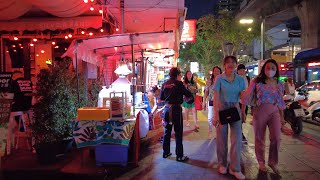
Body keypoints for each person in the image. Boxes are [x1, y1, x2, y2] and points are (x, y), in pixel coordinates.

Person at [242, 59, 285, 175]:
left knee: (276, 137)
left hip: (274, 111)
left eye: (273, 68)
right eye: (268, 68)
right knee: (259, 138)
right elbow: (247, 95)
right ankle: (261, 162)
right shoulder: (256, 81)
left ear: (276, 70)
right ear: (263, 69)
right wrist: (243, 110)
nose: (270, 70)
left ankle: (273, 162)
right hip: (259, 111)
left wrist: (282, 118)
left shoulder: (280, 83)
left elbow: (280, 101)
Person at [213, 56, 246, 180]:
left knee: (237, 139)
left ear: (236, 64)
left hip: (235, 109)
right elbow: (216, 96)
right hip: (222, 108)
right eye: (228, 62)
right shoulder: (219, 78)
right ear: (224, 65)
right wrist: (215, 114)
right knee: (221, 139)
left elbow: (243, 96)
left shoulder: (240, 79)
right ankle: (222, 164)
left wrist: (243, 112)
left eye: (233, 62)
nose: (230, 64)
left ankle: (235, 168)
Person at [160, 67, 193, 162]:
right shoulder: (179, 84)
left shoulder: (164, 84)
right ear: (177, 74)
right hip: (176, 110)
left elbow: (162, 97)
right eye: (180, 74)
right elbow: (188, 94)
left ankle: (165, 153)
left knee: (167, 131)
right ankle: (179, 156)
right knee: (178, 132)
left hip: (167, 109)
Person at [203, 66, 222, 139]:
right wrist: (204, 102)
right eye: (215, 71)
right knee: (210, 118)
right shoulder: (209, 82)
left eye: (218, 71)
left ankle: (217, 133)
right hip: (211, 101)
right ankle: (210, 132)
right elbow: (206, 92)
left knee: (219, 118)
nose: (216, 72)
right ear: (213, 72)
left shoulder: (222, 81)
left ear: (220, 72)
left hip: (220, 102)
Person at [237, 64, 250, 144]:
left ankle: (239, 132)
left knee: (243, 117)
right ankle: (240, 133)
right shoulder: (235, 78)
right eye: (240, 70)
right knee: (238, 118)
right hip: (237, 101)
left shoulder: (247, 78)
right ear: (237, 71)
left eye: (243, 70)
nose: (242, 71)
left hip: (245, 101)